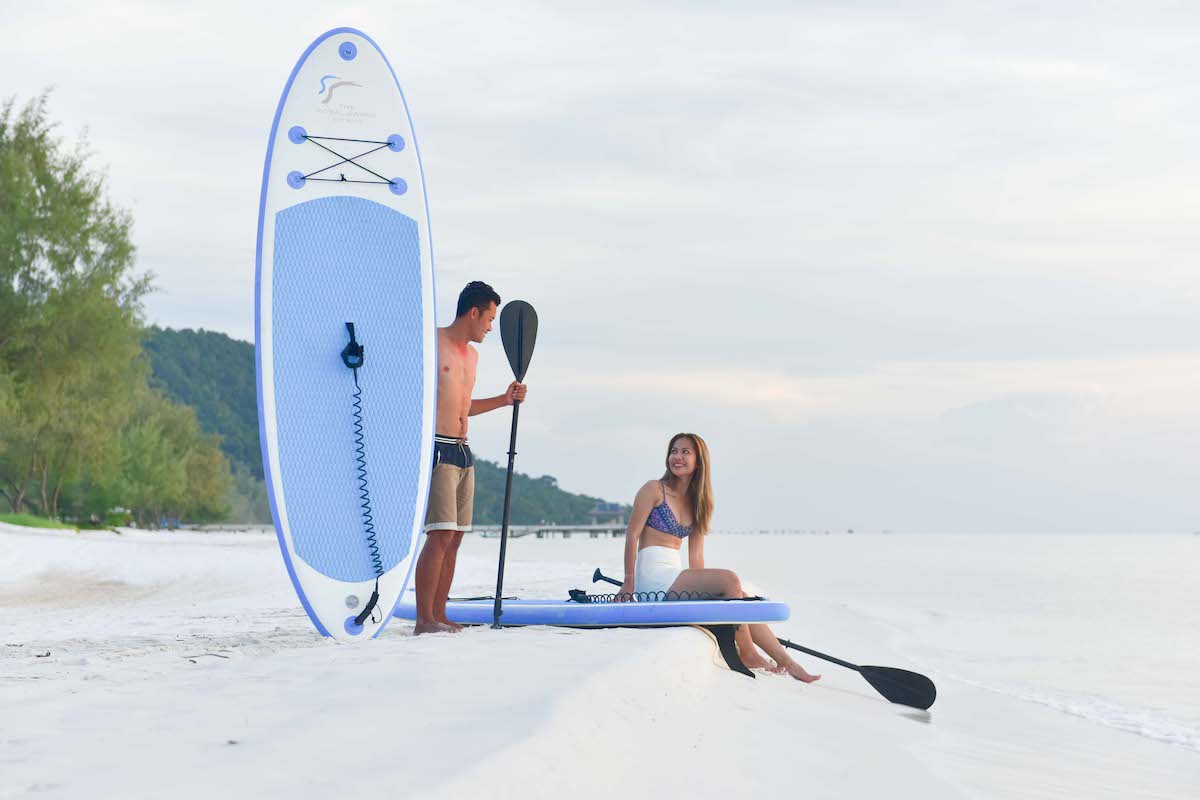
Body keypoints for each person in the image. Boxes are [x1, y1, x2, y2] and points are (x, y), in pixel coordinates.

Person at [617, 433, 820, 681]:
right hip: (653, 578)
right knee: (729, 580)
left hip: (676, 578)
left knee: (739, 596)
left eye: (685, 452)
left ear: (699, 461)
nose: (677, 457)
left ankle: (788, 662)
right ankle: (748, 652)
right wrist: (629, 583)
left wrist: (708, 593)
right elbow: (632, 535)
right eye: (674, 451)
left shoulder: (698, 503)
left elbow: (696, 557)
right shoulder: (654, 489)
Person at [413, 281, 528, 635]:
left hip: (463, 450)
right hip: (437, 447)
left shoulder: (472, 357)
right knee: (440, 534)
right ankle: (423, 620)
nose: (491, 328)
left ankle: (439, 613)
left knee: (456, 537)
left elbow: (464, 407)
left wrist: (505, 400)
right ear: (474, 313)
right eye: (490, 319)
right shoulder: (431, 343)